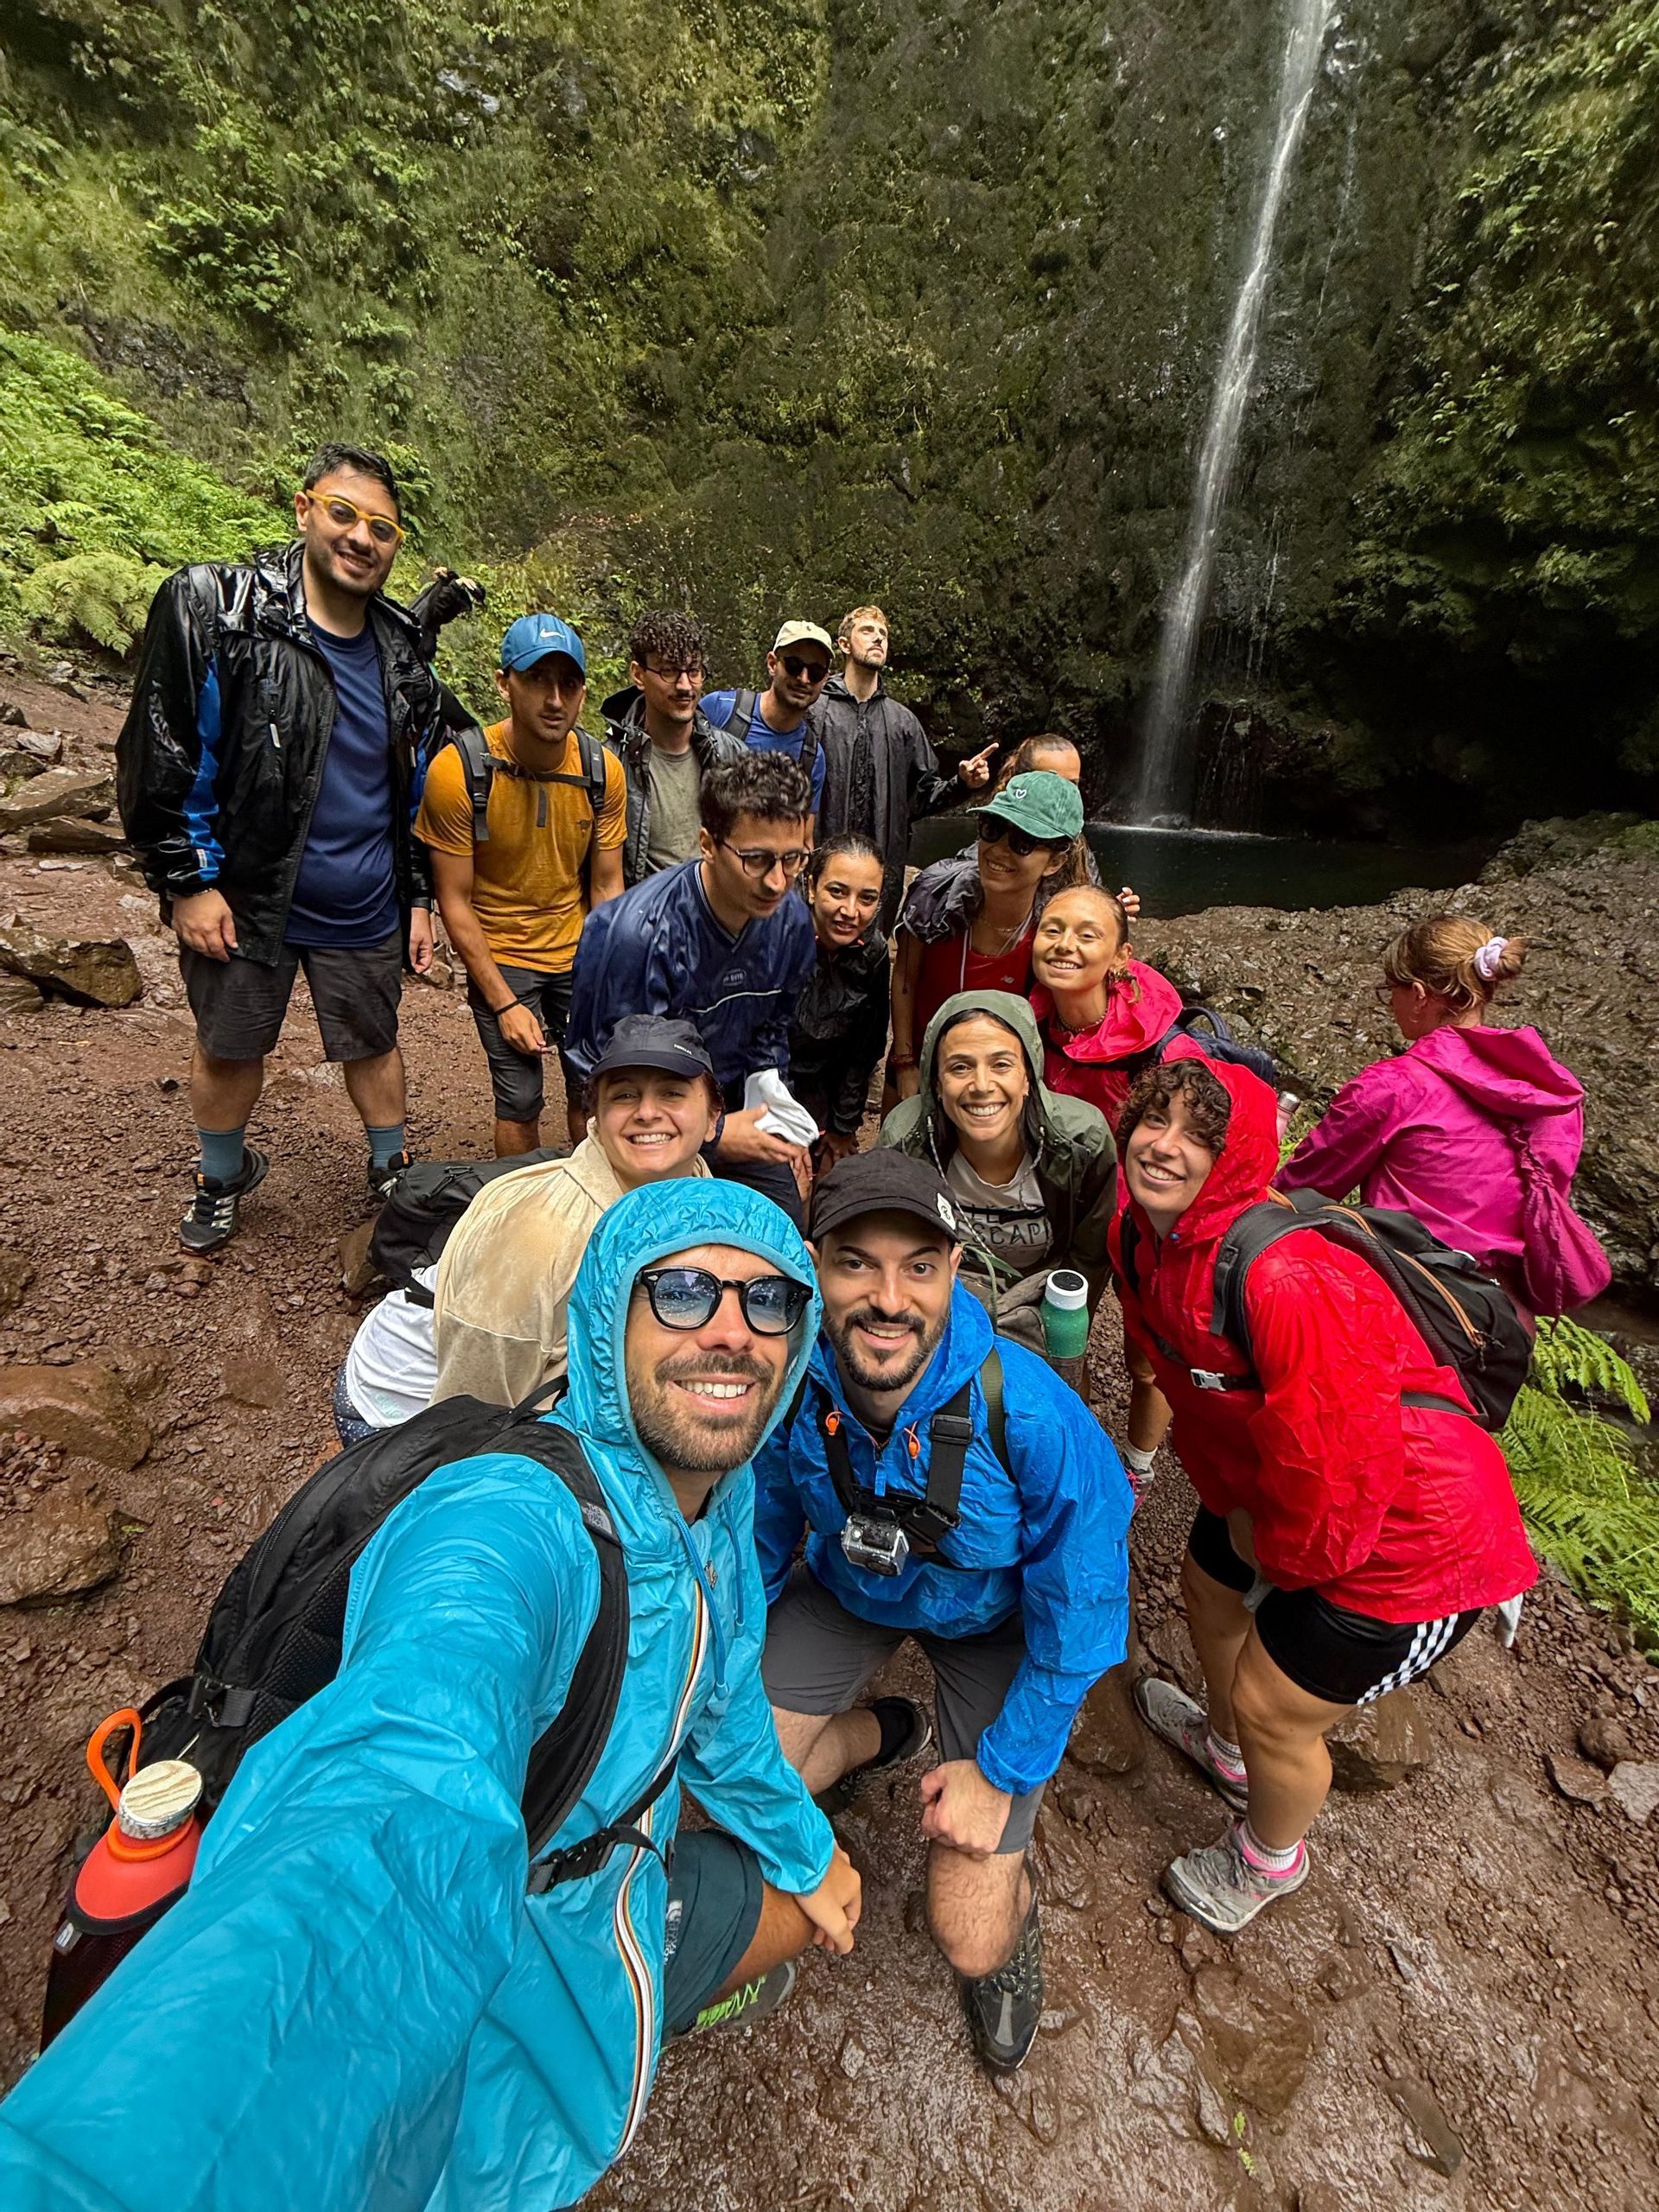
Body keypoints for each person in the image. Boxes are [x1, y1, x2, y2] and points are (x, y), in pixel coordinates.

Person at [0, 1183, 862, 2212]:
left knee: (813, 1898)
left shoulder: (719, 1497)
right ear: (605, 1316)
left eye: (770, 1301)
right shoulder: (506, 1522)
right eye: (681, 1292)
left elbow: (717, 1706)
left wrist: (806, 1849)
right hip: (508, 1947)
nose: (732, 1332)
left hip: (615, 1869)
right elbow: (397, 1805)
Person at [1112, 1058, 1536, 1935]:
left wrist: (1287, 1565)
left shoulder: (1286, 1278)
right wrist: (1238, 1513)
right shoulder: (1143, 1236)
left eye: (1200, 1133)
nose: (1164, 1145)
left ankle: (1269, 1856)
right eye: (1155, 1119)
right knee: (1208, 1587)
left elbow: (1338, 1460)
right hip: (1284, 1491)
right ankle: (1228, 1753)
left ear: (1238, 1156)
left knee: (1277, 1703)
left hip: (1416, 1535)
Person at [754, 1151, 1132, 2074]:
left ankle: (1014, 1895)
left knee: (969, 1935)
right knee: (733, 1779)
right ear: (813, 1265)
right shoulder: (788, 1382)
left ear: (953, 1272)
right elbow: (756, 1540)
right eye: (857, 1263)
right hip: (853, 1594)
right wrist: (715, 1682)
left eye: (918, 1265)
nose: (889, 1298)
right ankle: (882, 1734)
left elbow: (1079, 1613)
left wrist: (999, 1772)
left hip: (993, 1626)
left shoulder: (1027, 1412)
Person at [118, 442, 446, 1253]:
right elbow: (164, 749)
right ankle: (221, 1175)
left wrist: (420, 897)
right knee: (230, 1047)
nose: (362, 538)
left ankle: (391, 1168)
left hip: (364, 896)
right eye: (344, 513)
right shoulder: (216, 606)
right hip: (249, 892)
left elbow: (410, 790)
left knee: (372, 1040)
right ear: (304, 510)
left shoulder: (401, 654)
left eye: (383, 527)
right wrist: (186, 879)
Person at [1279, 916, 1609, 1321]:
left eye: (1391, 991)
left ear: (1419, 995)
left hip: (1409, 1309)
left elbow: (1297, 1193)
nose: (1390, 1004)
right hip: (1506, 1324)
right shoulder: (1553, 1095)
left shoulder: (1394, 1086)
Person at [564, 753, 818, 1226]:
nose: (777, 881)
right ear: (707, 843)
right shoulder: (635, 936)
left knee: (783, 1236)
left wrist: (776, 1113)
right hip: (649, 1123)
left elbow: (772, 1032)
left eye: (793, 859)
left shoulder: (791, 921)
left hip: (736, 1110)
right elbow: (600, 1081)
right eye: (757, 859)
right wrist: (715, 1134)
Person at [1028, 881, 1218, 1481]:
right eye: (1053, 930)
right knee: (1060, 1329)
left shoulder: (1162, 1046)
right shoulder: (1029, 1020)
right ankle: (1068, 1441)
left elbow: (1205, 1145)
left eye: (1088, 935)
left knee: (1148, 1357)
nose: (1065, 946)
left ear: (1119, 957)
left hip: (1145, 1219)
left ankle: (1138, 1468)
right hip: (1062, 1203)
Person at [417, 614, 627, 1154]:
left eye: (569, 684)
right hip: (501, 948)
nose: (555, 699)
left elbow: (607, 889)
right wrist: (505, 1002)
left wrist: (613, 977)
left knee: (594, 1084)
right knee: (519, 1099)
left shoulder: (603, 771)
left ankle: (592, 1199)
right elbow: (454, 901)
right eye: (537, 680)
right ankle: (517, 1213)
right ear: (504, 682)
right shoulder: (458, 771)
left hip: (577, 948)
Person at [433, 1014, 720, 1406]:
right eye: (624, 1095)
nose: (647, 1112)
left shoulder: (711, 1200)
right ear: (597, 1119)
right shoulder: (541, 1234)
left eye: (672, 1093)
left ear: (712, 1118)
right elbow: (470, 1407)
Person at [878, 988, 1116, 1353]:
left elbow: (1089, 1256)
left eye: (1001, 1064)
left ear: (1028, 1078)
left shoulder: (1081, 1142)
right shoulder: (906, 1142)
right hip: (943, 1295)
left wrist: (1062, 1323)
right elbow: (891, 1247)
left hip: (1041, 1292)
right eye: (960, 1067)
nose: (982, 1086)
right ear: (937, 1085)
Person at [891, 771, 1084, 1102]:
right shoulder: (934, 896)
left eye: (1022, 842)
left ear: (1055, 861)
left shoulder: (1056, 933)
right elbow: (905, 978)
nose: (998, 851)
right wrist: (906, 1067)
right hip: (923, 1067)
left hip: (1001, 1089)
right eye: (992, 830)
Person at [812, 605, 995, 930]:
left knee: (870, 961)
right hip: (821, 866)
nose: (878, 639)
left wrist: (963, 783)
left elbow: (922, 797)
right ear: (843, 644)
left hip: (881, 871)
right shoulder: (816, 711)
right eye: (867, 631)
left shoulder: (902, 723)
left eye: (883, 635)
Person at [599, 609, 745, 885]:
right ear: (638, 675)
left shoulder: (730, 756)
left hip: (712, 914)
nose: (684, 686)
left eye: (693, 671)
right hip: (645, 915)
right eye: (669, 671)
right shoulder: (611, 761)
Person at [788, 834, 892, 1175]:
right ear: (811, 887)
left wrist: (843, 1127)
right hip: (770, 1085)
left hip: (826, 1086)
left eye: (867, 898)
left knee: (836, 1176)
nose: (850, 911)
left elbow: (864, 1048)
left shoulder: (873, 951)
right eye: (837, 891)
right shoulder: (777, 936)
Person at [701, 620, 833, 816]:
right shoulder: (720, 710)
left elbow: (804, 839)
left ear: (825, 679)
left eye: (816, 672)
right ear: (772, 664)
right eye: (794, 665)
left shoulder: (812, 756)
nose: (804, 679)